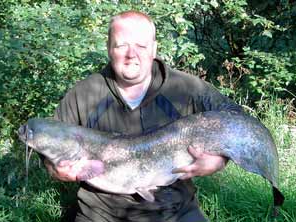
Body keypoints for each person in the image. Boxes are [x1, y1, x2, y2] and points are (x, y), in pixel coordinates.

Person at [44, 10, 243, 222]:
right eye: (122, 45)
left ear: (154, 49)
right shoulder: (83, 94)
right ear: (109, 48)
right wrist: (57, 170)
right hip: (100, 213)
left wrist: (220, 160)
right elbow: (48, 154)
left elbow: (236, 122)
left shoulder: (186, 88)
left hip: (176, 210)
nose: (132, 54)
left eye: (141, 45)